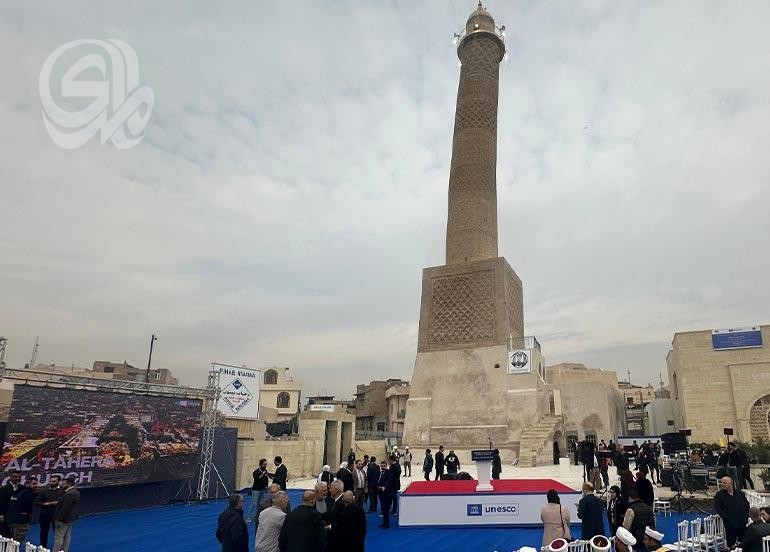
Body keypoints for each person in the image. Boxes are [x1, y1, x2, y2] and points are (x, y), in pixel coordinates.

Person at [715, 475, 750, 546]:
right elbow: (717, 507)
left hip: (742, 522)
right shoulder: (719, 495)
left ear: (730, 484)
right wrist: (725, 518)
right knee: (731, 542)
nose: (722, 484)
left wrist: (746, 516)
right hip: (730, 523)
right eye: (721, 482)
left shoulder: (740, 493)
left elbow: (746, 505)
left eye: (724, 483)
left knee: (743, 541)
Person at [0, 470, 33, 542]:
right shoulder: (4, 488)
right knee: (6, 535)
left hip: (18, 517)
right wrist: (1, 514)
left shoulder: (23, 488)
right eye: (15, 477)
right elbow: (1, 503)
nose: (18, 478)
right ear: (10, 477)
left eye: (19, 477)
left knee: (17, 537)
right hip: (6, 515)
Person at [36, 474, 64, 549]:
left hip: (57, 515)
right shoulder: (44, 491)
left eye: (54, 481)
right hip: (45, 514)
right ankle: (43, 547)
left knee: (58, 532)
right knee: (44, 531)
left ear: (59, 482)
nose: (51, 483)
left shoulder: (63, 491)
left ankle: (59, 548)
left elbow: (66, 502)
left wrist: (57, 503)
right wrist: (45, 504)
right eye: (50, 481)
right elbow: (37, 501)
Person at [378, 455, 398, 529]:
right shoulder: (381, 472)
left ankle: (387, 524)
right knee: (383, 508)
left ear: (386, 466)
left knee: (386, 509)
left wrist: (384, 487)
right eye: (381, 466)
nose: (382, 467)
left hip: (386, 493)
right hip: (381, 493)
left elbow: (389, 481)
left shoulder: (388, 472)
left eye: (383, 466)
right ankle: (384, 523)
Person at [248, 458, 270, 523]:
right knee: (253, 504)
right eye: (264, 464)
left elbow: (266, 480)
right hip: (256, 490)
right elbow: (256, 479)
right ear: (260, 465)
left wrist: (266, 487)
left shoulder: (265, 471)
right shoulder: (256, 472)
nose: (265, 466)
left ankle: (258, 516)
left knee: (260, 504)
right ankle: (250, 517)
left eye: (266, 464)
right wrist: (263, 474)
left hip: (262, 490)